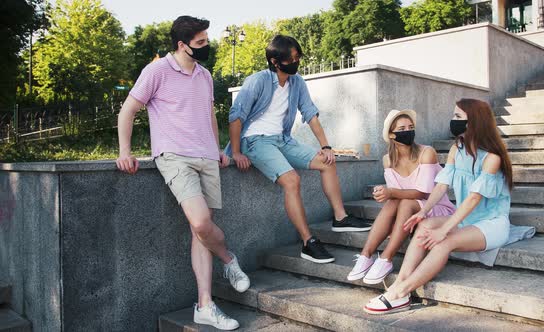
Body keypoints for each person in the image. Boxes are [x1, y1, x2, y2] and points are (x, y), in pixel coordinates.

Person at [116, 16, 248, 330]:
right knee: (202, 222)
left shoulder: (204, 75)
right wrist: (125, 151)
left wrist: (217, 147)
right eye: (200, 43)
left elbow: (208, 114)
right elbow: (128, 110)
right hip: (174, 156)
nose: (206, 47)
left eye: (206, 40)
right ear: (182, 45)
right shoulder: (157, 70)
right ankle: (229, 260)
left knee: (200, 233)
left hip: (206, 157)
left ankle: (204, 306)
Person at [226, 35, 372, 264]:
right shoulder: (258, 81)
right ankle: (308, 242)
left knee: (327, 162)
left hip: (283, 139)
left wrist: (326, 146)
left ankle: (341, 218)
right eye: (292, 58)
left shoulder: (297, 82)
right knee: (292, 180)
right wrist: (236, 152)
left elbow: (310, 114)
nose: (296, 62)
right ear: (275, 61)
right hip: (255, 141)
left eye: (298, 57)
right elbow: (236, 116)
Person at [363, 98, 514, 315]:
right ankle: (400, 284)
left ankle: (400, 292)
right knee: (424, 225)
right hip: (466, 220)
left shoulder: (492, 158)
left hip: (490, 224)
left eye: (458, 117)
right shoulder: (457, 149)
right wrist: (423, 212)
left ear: (475, 122)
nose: (453, 121)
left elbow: (473, 199)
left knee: (444, 242)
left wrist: (444, 229)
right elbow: (441, 185)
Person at [347, 109, 455, 284]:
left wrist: (390, 192)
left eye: (410, 127)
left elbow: (424, 193)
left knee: (404, 202)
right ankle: (366, 256)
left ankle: (386, 259)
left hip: (435, 208)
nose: (408, 131)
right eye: (402, 128)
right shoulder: (388, 160)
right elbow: (396, 197)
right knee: (394, 203)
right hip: (410, 211)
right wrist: (385, 193)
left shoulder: (426, 153)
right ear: (391, 135)